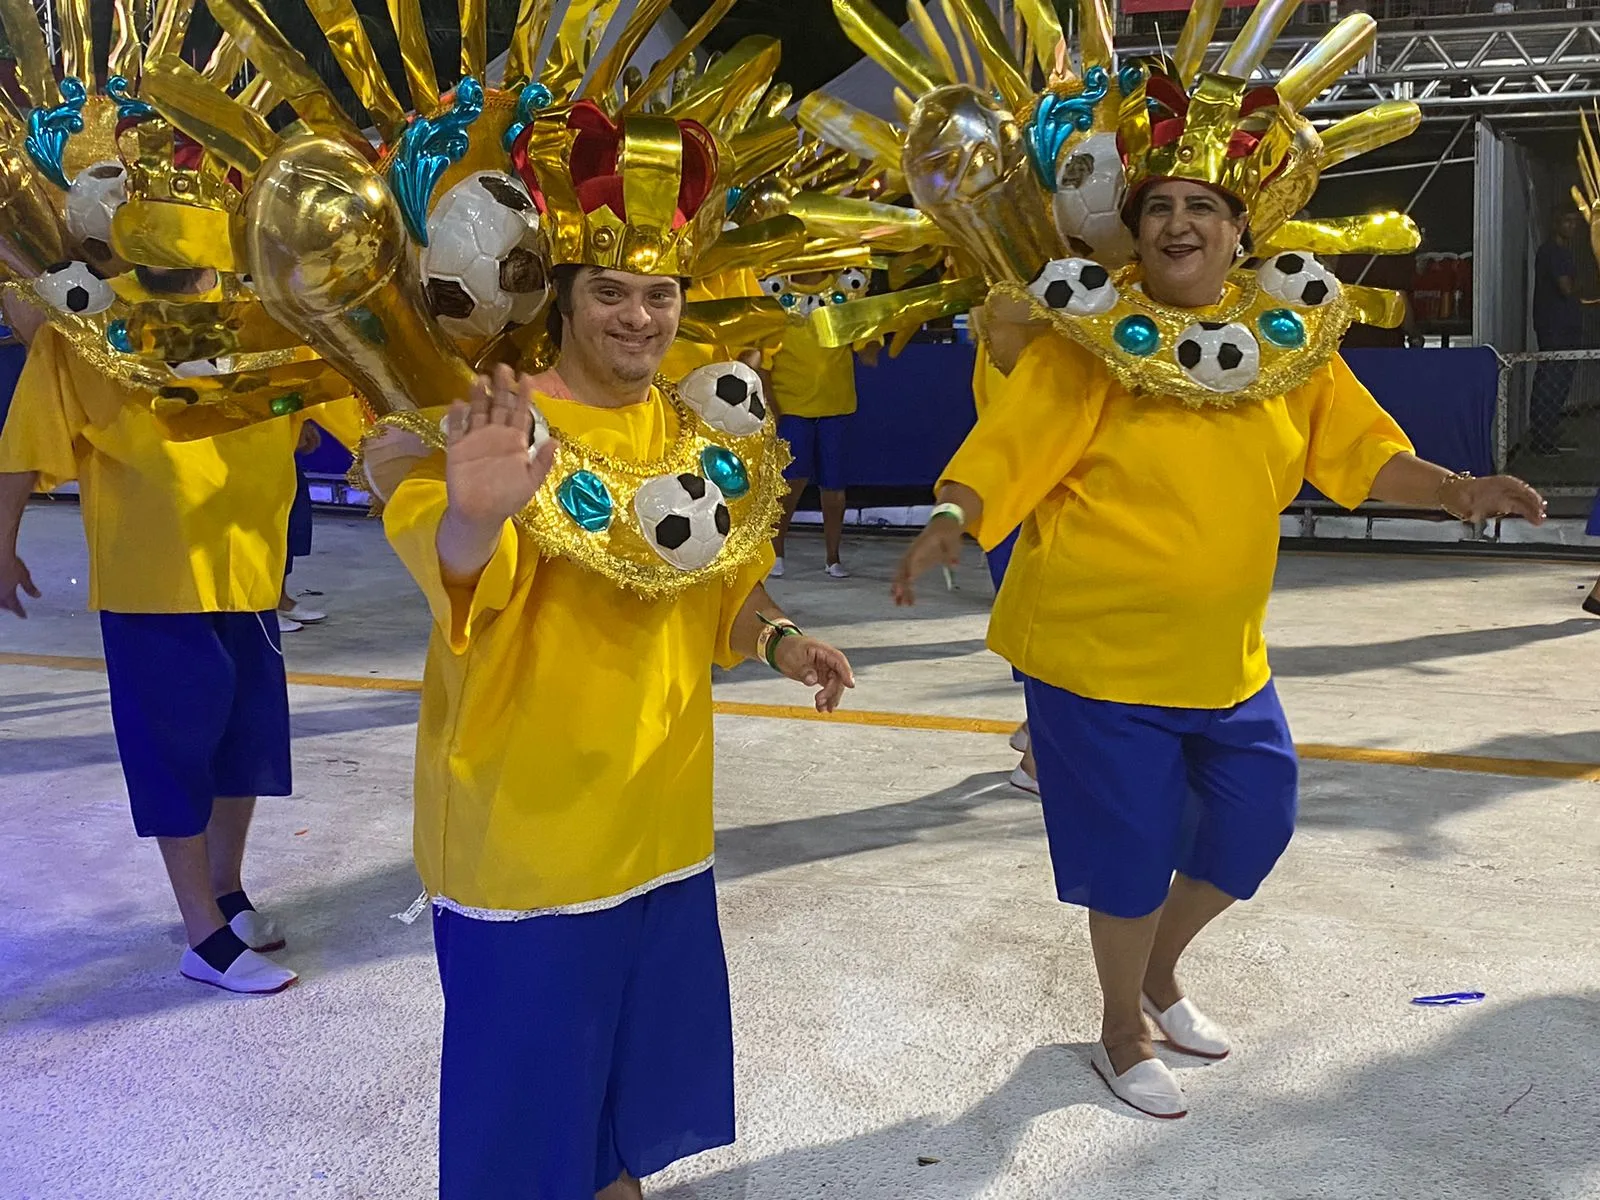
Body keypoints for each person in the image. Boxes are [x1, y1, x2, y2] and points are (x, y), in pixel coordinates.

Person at [893, 175, 1546, 1120]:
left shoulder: (1287, 344)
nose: (1179, 223)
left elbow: (1359, 452)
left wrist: (1455, 490)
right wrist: (957, 514)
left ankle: (1157, 972)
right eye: (1158, 209)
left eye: (1202, 207)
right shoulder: (1091, 340)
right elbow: (1012, 444)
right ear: (1137, 236)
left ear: (1240, 231)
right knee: (1127, 853)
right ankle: (1122, 1030)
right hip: (1094, 654)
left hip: (1224, 658)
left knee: (1255, 820)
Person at [373, 103, 855, 1199]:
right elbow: (451, 569)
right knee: (521, 1135)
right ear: (562, 298)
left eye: (659, 293)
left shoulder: (697, 434)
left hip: (660, 832)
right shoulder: (488, 424)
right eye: (610, 292)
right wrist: (476, 514)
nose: (639, 317)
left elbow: (720, 589)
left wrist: (780, 638)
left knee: (622, 1113)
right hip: (527, 852)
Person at [0, 266, 331, 996]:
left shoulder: (264, 317)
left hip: (246, 570)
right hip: (152, 578)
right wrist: (4, 539)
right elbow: (27, 439)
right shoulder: (89, 323)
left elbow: (327, 411)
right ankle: (202, 936)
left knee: (245, 743)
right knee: (172, 753)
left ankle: (227, 893)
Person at [770, 301, 876, 579]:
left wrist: (878, 332)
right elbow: (763, 362)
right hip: (793, 409)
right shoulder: (777, 300)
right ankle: (776, 552)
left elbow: (868, 353)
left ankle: (833, 558)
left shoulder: (844, 299)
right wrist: (772, 406)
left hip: (836, 408)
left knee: (835, 488)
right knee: (788, 487)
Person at [1528, 208, 1587, 456]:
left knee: (1558, 381)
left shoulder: (1560, 252)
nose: (1572, 226)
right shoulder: (1553, 253)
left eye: (1575, 222)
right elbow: (1566, 287)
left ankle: (1547, 433)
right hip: (1556, 327)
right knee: (1552, 380)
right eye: (1567, 221)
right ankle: (1542, 439)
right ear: (1556, 223)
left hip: (1562, 326)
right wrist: (1586, 287)